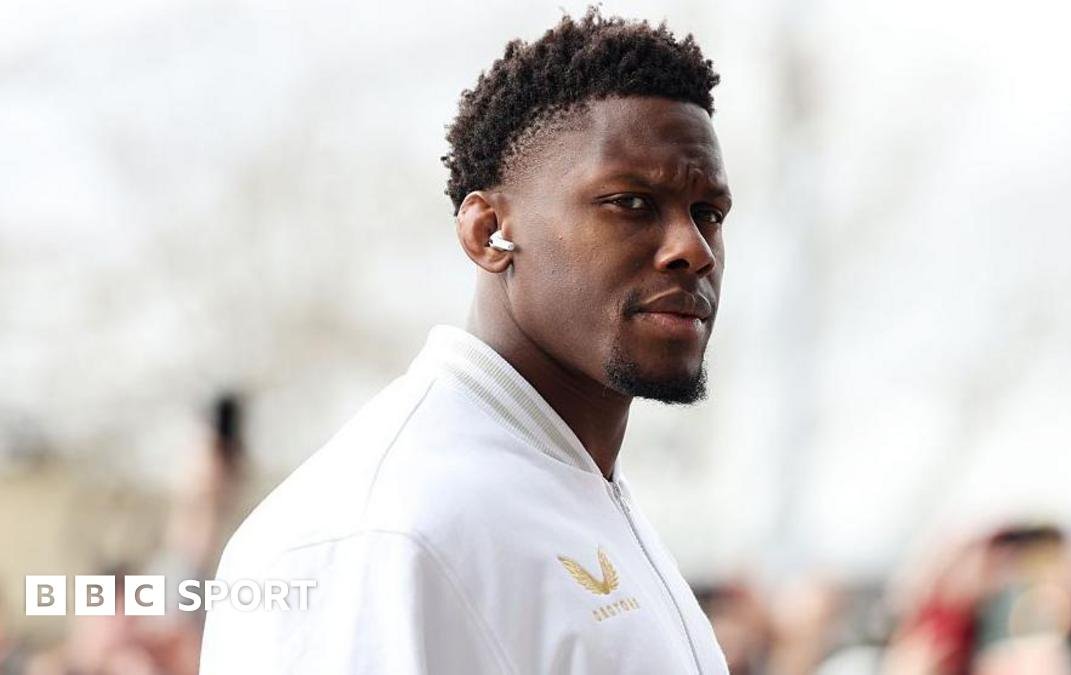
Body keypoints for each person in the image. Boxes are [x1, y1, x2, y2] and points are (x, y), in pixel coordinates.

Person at [199, 8, 733, 674]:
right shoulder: (386, 530)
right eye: (631, 202)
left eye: (708, 213)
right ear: (487, 233)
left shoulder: (574, 486)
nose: (693, 249)